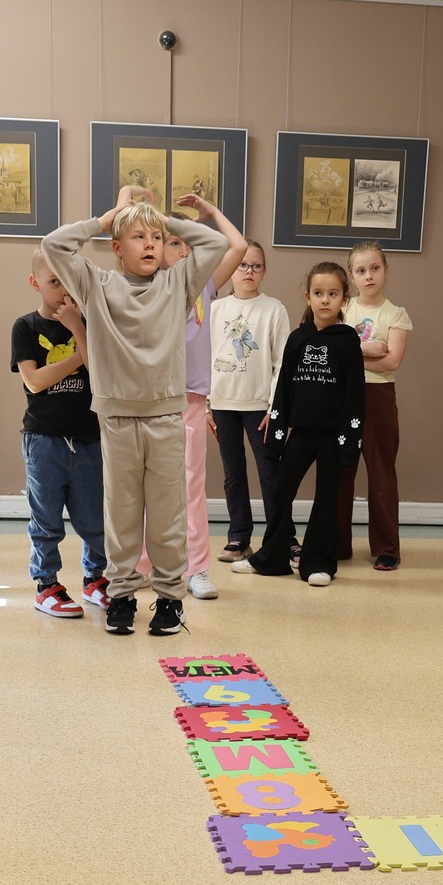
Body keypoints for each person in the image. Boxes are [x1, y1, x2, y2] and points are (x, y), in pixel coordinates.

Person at [40, 186, 227, 637]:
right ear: (116, 248)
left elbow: (216, 243)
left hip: (165, 418)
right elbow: (53, 245)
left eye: (156, 238)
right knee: (121, 514)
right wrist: (106, 220)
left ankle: (170, 600)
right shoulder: (96, 284)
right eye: (138, 237)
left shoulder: (178, 283)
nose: (149, 244)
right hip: (117, 419)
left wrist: (162, 219)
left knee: (167, 515)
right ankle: (122, 595)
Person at [232, 261, 365, 586]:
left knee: (327, 500)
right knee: (280, 493)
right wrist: (276, 438)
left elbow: (355, 395)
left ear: (344, 299)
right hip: (301, 434)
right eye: (318, 293)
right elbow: (284, 390)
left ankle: (318, 563)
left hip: (333, 437)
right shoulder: (297, 339)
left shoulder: (348, 341)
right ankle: (272, 558)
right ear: (308, 297)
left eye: (332, 294)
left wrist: (350, 442)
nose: (325, 300)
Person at [151, 197, 246, 601]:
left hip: (190, 398)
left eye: (189, 243)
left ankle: (196, 568)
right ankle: (143, 565)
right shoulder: (147, 284)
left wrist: (209, 214)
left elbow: (238, 246)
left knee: (191, 485)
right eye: (174, 242)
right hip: (152, 400)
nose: (185, 249)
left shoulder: (205, 283)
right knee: (147, 485)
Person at [13, 250, 109, 618]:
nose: (64, 291)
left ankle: (96, 578)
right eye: (54, 282)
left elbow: (100, 373)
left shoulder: (89, 323)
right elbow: (35, 381)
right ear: (35, 283)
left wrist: (78, 329)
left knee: (95, 518)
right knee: (46, 519)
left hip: (87, 438)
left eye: (69, 282)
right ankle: (46, 584)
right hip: (44, 440)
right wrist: (79, 355)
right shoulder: (26, 327)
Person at [208, 242, 291, 563]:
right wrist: (205, 406)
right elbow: (200, 359)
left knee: (271, 474)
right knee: (233, 474)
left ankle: (282, 537)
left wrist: (274, 407)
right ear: (231, 269)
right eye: (242, 265)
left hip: (260, 407)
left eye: (256, 266)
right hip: (222, 404)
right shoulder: (215, 309)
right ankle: (239, 536)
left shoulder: (274, 309)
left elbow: (282, 363)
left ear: (264, 271)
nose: (249, 272)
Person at [341, 241, 412, 570]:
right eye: (361, 270)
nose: (368, 275)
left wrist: (350, 353)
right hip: (344, 397)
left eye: (374, 268)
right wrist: (367, 349)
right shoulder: (343, 309)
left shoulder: (396, 314)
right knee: (340, 471)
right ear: (351, 276)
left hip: (379, 397)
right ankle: (337, 544)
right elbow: (332, 354)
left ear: (386, 271)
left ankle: (386, 549)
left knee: (382, 473)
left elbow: (392, 361)